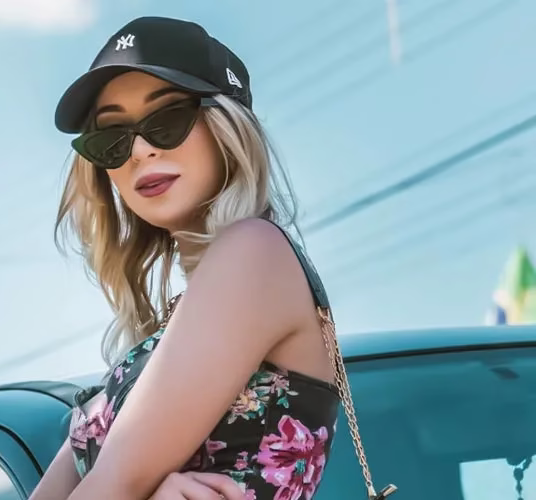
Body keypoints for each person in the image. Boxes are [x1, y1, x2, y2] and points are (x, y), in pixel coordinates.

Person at [30, 15, 391, 500]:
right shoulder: (173, 328)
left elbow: (111, 485)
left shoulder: (255, 253)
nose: (139, 151)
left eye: (166, 119)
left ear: (226, 125)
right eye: (112, 137)